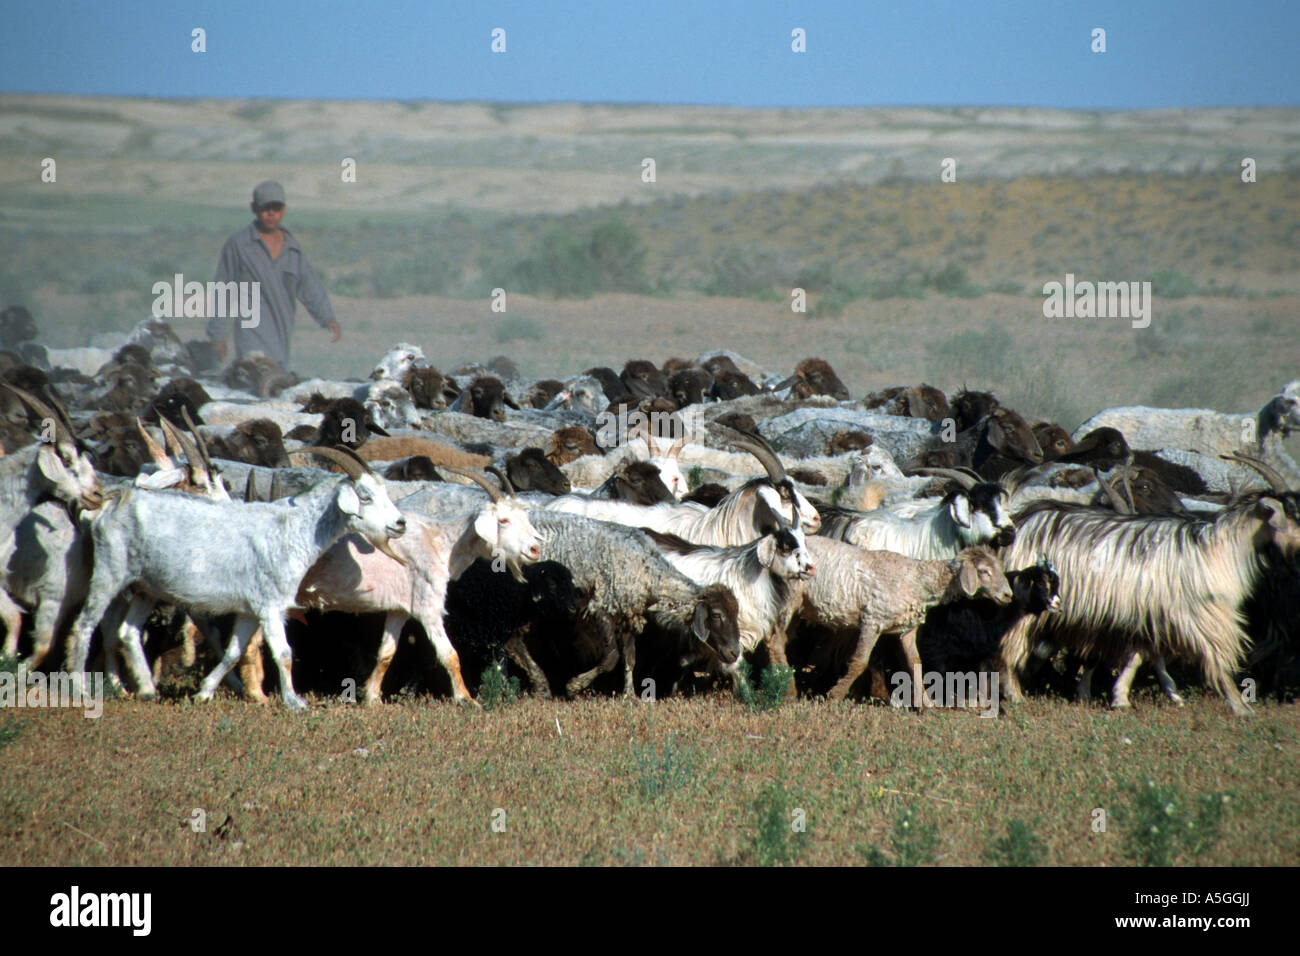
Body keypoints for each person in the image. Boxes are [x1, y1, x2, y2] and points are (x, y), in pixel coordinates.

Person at [207, 180, 341, 369]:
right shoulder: (239, 244)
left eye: (276, 208)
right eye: (265, 208)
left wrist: (327, 317)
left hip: (281, 333)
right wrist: (218, 335)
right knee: (255, 378)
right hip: (250, 334)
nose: (271, 214)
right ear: (254, 208)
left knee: (276, 384)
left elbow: (310, 285)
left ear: (284, 210)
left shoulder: (292, 248)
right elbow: (223, 289)